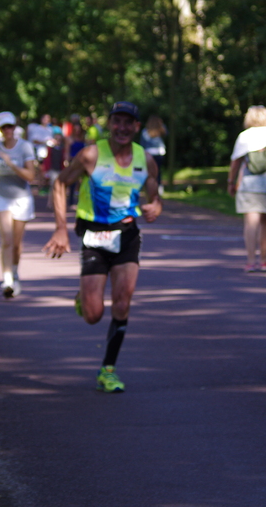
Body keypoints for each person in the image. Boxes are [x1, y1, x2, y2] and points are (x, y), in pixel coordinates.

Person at [42, 101, 162, 393]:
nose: (122, 128)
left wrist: (156, 204)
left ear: (136, 127)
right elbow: (60, 184)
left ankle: (108, 369)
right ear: (110, 124)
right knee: (93, 315)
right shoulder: (91, 155)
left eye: (128, 122)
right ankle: (84, 297)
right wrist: (60, 228)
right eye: (117, 121)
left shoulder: (145, 158)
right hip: (94, 235)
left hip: (127, 234)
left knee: (123, 301)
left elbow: (153, 188)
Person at [227, 105, 266, 272]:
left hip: (249, 185)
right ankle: (263, 260)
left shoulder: (244, 136)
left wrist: (230, 182)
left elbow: (235, 162)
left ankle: (250, 261)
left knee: (250, 223)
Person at [0, 112, 37, 298]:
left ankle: (15, 273)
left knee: (16, 243)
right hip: (1, 196)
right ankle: (7, 279)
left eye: (10, 126)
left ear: (15, 128)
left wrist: (12, 165)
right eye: (4, 127)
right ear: (0, 129)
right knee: (6, 239)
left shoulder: (25, 147)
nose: (7, 130)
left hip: (22, 197)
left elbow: (31, 176)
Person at [139, 114, 168, 190]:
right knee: (158, 171)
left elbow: (143, 144)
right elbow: (166, 134)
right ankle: (159, 187)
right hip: (160, 152)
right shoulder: (161, 129)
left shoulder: (145, 131)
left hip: (149, 153)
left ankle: (149, 188)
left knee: (149, 172)